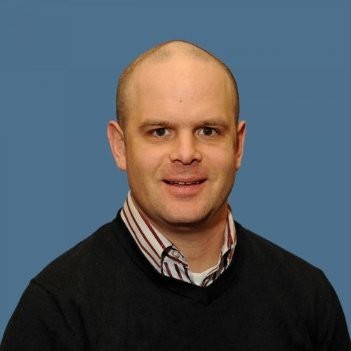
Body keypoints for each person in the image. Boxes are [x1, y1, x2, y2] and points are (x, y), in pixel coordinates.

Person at [1, 40, 350, 350]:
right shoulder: (56, 307)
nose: (186, 153)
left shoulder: (307, 296)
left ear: (238, 145)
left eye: (208, 130)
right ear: (120, 147)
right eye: (160, 131)